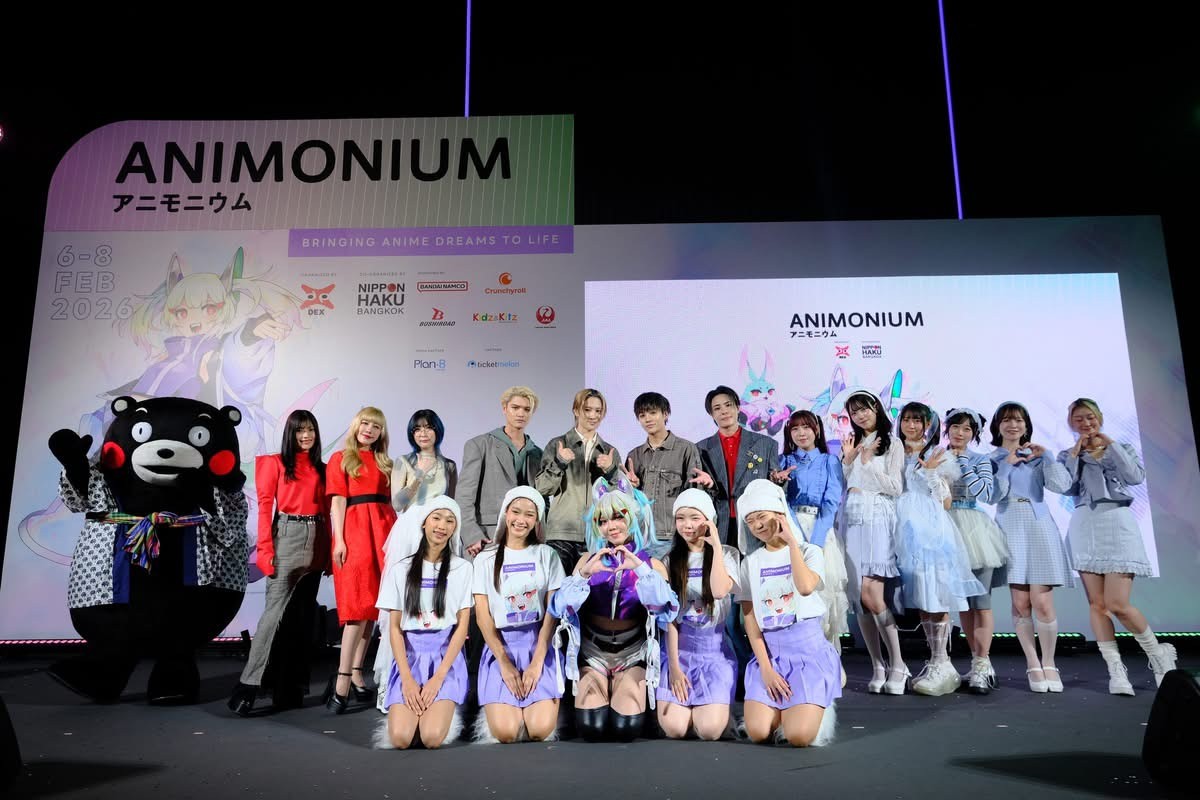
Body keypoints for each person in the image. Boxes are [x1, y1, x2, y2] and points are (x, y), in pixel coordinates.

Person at [1058, 398, 1176, 695]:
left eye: (1090, 417)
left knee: (1118, 604)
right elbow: (1065, 487)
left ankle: (1158, 656)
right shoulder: (1067, 455)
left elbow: (1134, 477)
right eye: (1079, 419)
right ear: (1071, 423)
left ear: (1099, 418)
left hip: (1118, 523)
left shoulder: (1121, 448)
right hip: (1085, 525)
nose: (1086, 423)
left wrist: (1109, 444)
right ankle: (1115, 670)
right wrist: (1075, 454)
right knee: (1097, 605)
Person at [548, 477, 679, 742]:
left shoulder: (652, 565)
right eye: (603, 520)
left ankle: (622, 687)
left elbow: (666, 610)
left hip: (633, 653)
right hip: (593, 653)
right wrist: (584, 575)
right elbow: (559, 609)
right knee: (592, 728)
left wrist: (641, 570)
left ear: (632, 517)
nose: (612, 526)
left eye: (618, 517)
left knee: (625, 728)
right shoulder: (587, 561)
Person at [229, 411, 329, 715]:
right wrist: (265, 549)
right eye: (300, 430)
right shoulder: (274, 463)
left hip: (317, 537)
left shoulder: (322, 469)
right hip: (286, 534)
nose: (306, 436)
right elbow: (264, 509)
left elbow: (328, 511)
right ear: (290, 433)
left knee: (302, 619)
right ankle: (248, 686)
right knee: (273, 616)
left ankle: (290, 688)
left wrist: (328, 552)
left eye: (310, 430)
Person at [736, 480, 839, 747]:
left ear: (779, 513)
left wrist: (792, 543)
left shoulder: (810, 552)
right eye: (750, 521)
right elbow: (750, 619)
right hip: (771, 654)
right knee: (758, 732)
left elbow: (805, 587)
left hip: (807, 654)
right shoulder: (750, 563)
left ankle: (816, 704)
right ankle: (789, 709)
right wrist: (766, 669)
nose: (757, 525)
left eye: (762, 516)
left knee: (798, 736)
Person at [989, 401, 1075, 693]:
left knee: (1042, 602)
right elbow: (992, 496)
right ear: (998, 426)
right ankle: (1032, 663)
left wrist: (1048, 457)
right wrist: (1006, 466)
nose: (1013, 425)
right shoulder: (991, 458)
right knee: (1021, 603)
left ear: (1026, 426)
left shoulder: (1038, 456)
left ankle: (1049, 662)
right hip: (1009, 523)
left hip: (1039, 523)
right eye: (1006, 420)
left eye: (1018, 420)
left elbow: (1062, 486)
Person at [376, 498, 473, 749]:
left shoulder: (462, 569)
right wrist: (407, 679)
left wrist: (438, 678)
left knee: (431, 737)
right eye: (436, 518)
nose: (442, 526)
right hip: (409, 660)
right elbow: (395, 629)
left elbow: (462, 628)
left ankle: (443, 705)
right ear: (424, 523)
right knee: (401, 738)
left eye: (449, 521)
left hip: (445, 660)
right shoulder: (401, 569)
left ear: (455, 528)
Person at [472, 487, 564, 742]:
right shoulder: (485, 559)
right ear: (505, 513)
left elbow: (552, 613)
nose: (521, 520)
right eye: (516, 512)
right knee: (506, 732)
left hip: (539, 646)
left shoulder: (548, 556)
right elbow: (482, 617)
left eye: (529, 515)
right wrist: (504, 662)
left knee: (539, 730)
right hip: (501, 647)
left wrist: (537, 662)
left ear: (537, 521)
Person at [324, 407, 396, 712]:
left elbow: (393, 502)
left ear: (381, 433)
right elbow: (337, 502)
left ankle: (356, 673)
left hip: (384, 531)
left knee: (373, 609)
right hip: (354, 532)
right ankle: (342, 679)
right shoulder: (341, 458)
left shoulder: (386, 463)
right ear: (356, 425)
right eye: (365, 423)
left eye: (376, 426)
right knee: (356, 607)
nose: (369, 429)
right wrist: (339, 540)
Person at [657, 489, 740, 740]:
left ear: (709, 519)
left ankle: (715, 710)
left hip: (714, 655)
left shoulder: (728, 554)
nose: (687, 525)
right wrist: (674, 667)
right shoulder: (670, 560)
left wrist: (715, 546)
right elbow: (670, 618)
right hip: (679, 652)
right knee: (675, 729)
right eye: (680, 518)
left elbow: (719, 591)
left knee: (709, 731)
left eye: (695, 517)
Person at [838, 389, 906, 694]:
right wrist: (849, 460)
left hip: (877, 516)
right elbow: (846, 483)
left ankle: (898, 664)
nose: (860, 415)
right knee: (859, 599)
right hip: (852, 518)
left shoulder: (892, 443)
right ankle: (878, 665)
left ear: (876, 408)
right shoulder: (852, 443)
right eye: (854, 412)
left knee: (872, 594)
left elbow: (895, 487)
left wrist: (868, 463)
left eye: (865, 409)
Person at [536, 388, 622, 576]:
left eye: (598, 411)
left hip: (598, 535)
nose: (593, 416)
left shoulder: (609, 451)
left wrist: (610, 471)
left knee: (593, 591)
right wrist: (560, 462)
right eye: (587, 409)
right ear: (576, 410)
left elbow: (619, 500)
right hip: (562, 533)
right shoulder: (558, 444)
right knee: (558, 589)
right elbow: (542, 488)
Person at [623, 391, 714, 557]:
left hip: (672, 537)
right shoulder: (634, 455)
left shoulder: (686, 449)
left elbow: (694, 495)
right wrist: (632, 487)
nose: (648, 419)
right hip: (640, 538)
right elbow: (625, 503)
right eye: (642, 415)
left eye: (653, 413)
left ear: (665, 414)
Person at [459, 387, 543, 556]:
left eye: (527, 409)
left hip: (525, 537)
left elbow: (541, 499)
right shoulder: (480, 445)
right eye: (515, 407)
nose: (521, 413)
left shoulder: (537, 453)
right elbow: (464, 495)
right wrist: (471, 535)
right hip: (486, 536)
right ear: (504, 408)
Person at [695, 385, 779, 545]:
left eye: (728, 405)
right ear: (711, 414)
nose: (724, 411)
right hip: (718, 523)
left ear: (738, 407)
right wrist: (709, 486)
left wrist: (779, 481)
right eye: (717, 408)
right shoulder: (700, 449)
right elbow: (698, 493)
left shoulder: (766, 444)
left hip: (755, 523)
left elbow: (775, 487)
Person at [391, 409, 458, 512]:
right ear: (412, 434)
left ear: (438, 430)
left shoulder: (449, 465)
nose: (423, 433)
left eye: (429, 428)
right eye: (417, 429)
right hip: (411, 520)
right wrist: (419, 473)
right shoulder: (403, 461)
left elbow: (452, 505)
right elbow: (397, 505)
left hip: (437, 521)